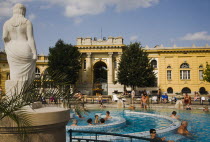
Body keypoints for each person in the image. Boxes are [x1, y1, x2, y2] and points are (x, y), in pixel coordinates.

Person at [3, 3, 37, 95]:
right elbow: (30, 38)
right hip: (25, 47)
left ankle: (13, 96)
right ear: (23, 11)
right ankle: (25, 95)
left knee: (14, 74)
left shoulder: (7, 23)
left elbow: (5, 37)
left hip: (12, 49)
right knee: (27, 76)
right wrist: (34, 52)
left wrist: (8, 46)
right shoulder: (27, 22)